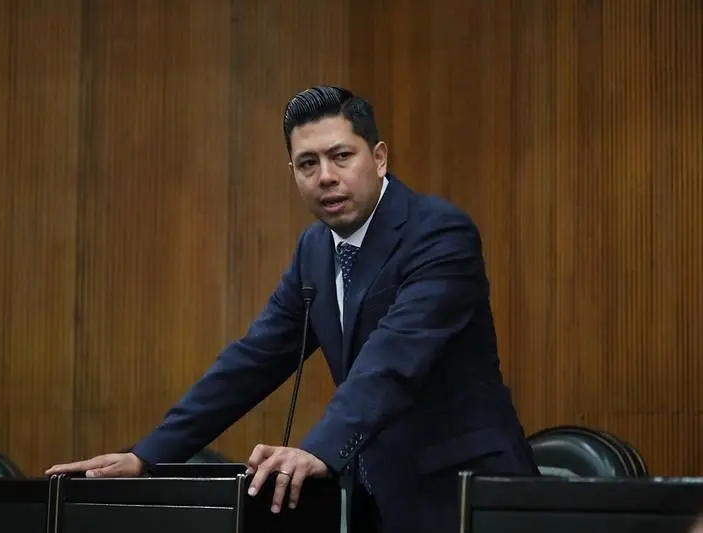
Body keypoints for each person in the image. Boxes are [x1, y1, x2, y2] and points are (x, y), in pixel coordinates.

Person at [46, 85, 539, 533]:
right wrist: (147, 457)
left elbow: (393, 360)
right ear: (293, 173)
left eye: (341, 156)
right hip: (379, 500)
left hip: (466, 496)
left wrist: (317, 449)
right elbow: (252, 360)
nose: (326, 177)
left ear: (379, 157)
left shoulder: (438, 233)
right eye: (308, 164)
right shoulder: (315, 250)